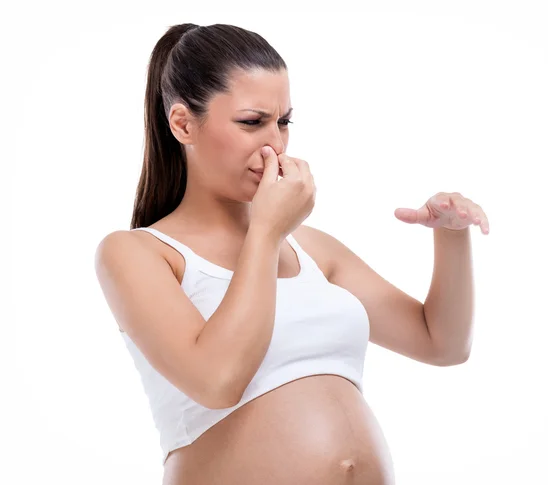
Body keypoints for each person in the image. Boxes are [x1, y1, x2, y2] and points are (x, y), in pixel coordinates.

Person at [95, 22, 441, 485]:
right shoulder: (137, 252)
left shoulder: (311, 248)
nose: (275, 144)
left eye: (284, 122)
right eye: (252, 122)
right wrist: (266, 230)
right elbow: (218, 381)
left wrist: (451, 236)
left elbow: (440, 342)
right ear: (183, 124)